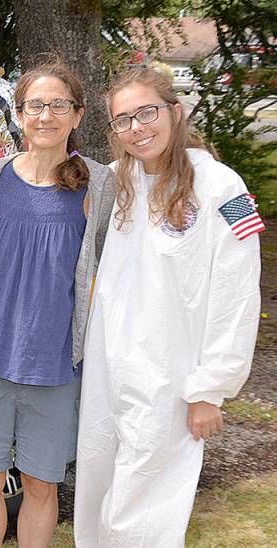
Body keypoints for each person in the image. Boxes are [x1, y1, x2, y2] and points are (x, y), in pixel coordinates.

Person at [73, 68, 261, 547]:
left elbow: (237, 293)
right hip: (107, 371)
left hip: (170, 379)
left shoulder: (223, 188)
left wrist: (210, 388)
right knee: (98, 493)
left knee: (145, 506)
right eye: (123, 120)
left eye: (146, 113)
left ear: (175, 112)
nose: (137, 127)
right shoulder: (115, 184)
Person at [0, 59, 115, 548]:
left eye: (58, 105)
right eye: (35, 105)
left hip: (56, 365)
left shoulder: (100, 186)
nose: (46, 115)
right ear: (19, 114)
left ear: (78, 114)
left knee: (43, 485)